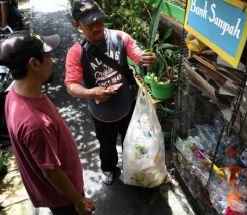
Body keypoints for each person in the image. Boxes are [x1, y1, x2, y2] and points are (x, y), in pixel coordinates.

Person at [1, 31, 95, 215]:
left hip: (58, 194)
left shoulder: (14, 94)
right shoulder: (36, 123)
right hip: (66, 198)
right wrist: (79, 200)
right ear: (34, 64)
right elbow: (51, 172)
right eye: (47, 56)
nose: (52, 60)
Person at [65, 0, 156, 185]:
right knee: (106, 145)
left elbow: (138, 55)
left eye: (99, 21)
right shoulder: (76, 52)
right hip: (102, 114)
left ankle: (131, 166)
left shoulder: (120, 38)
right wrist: (91, 92)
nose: (97, 27)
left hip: (127, 105)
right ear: (77, 25)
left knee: (131, 140)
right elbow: (71, 86)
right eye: (89, 24)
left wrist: (147, 59)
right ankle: (108, 167)